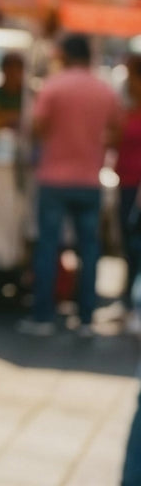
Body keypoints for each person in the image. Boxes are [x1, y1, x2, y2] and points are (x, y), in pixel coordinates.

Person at [18, 33, 122, 337]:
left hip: (54, 178)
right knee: (89, 250)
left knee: (48, 247)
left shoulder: (54, 86)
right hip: (89, 179)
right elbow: (115, 133)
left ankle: (43, 316)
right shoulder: (105, 90)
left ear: (65, 55)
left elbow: (37, 127)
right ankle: (86, 318)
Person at [116, 55, 141, 319]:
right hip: (125, 183)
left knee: (135, 244)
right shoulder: (127, 108)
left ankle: (132, 302)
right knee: (128, 242)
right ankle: (128, 299)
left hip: (137, 187)